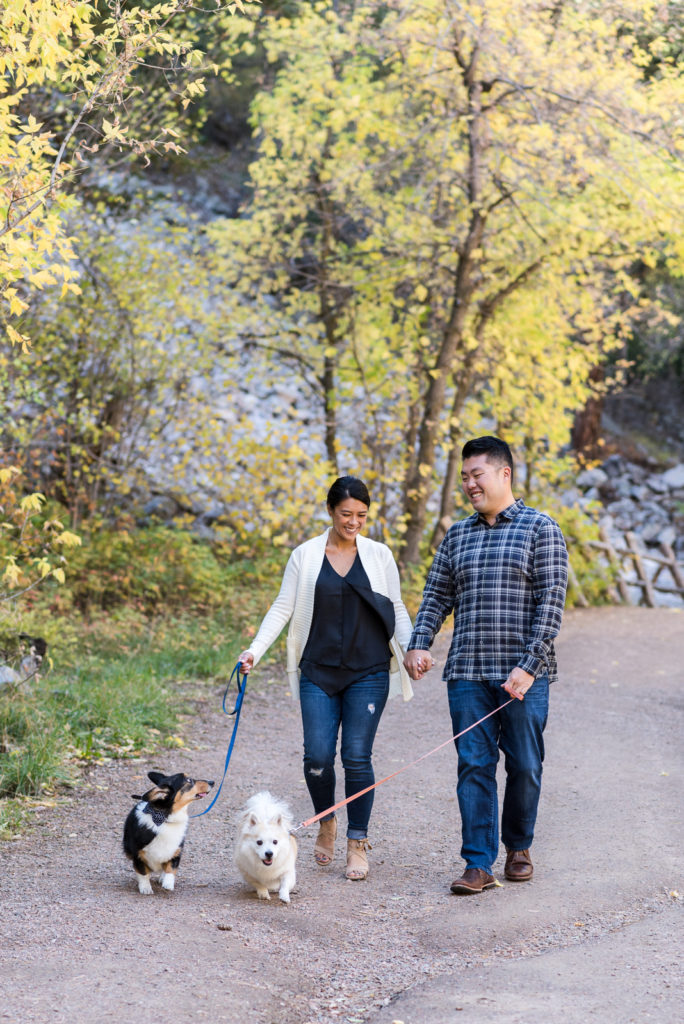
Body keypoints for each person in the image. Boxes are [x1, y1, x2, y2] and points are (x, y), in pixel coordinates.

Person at [404, 436, 568, 895]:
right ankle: (478, 863)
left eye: (477, 475)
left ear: (504, 474)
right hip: (468, 673)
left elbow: (551, 603)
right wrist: (419, 642)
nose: (470, 484)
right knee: (473, 765)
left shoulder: (541, 529)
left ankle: (518, 846)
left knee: (525, 765)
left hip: (522, 676)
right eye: (465, 478)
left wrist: (530, 665)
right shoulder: (458, 534)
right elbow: (436, 595)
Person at [239, 476, 413, 881]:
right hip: (317, 671)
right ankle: (327, 821)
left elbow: (397, 608)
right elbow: (282, 608)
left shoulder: (379, 555)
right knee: (317, 757)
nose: (354, 523)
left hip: (368, 671)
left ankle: (356, 842)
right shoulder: (305, 555)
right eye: (346, 514)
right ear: (330, 511)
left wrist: (412, 650)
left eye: (362, 516)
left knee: (356, 756)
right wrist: (254, 650)